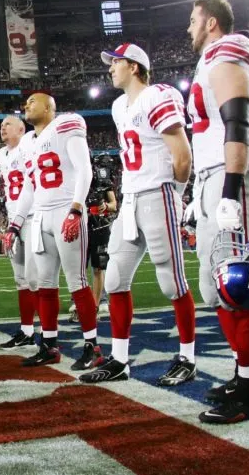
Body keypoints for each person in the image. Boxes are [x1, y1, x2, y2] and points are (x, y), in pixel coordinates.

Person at [78, 42, 197, 388]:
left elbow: (182, 155)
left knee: (171, 280)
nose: (110, 68)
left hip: (158, 192)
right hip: (130, 199)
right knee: (114, 279)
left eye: (115, 63)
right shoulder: (118, 105)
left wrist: (173, 194)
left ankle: (187, 358)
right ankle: (119, 360)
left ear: (133, 66)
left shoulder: (158, 95)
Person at [184, 0, 249, 424]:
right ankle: (246, 373)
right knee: (214, 288)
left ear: (211, 22)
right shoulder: (212, 58)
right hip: (211, 176)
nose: (188, 28)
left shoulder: (226, 49)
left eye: (193, 19)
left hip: (230, 175)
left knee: (240, 285)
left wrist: (229, 192)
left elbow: (236, 121)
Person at [3, 93, 102, 371]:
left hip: (64, 210)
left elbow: (85, 169)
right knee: (43, 284)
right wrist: (16, 223)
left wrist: (76, 208)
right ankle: (49, 346)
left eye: (32, 102)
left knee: (77, 282)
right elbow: (30, 187)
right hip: (41, 216)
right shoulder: (28, 143)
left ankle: (92, 346)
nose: (26, 106)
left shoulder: (66, 124)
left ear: (49, 107)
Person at [0, 115, 38, 349]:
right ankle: (27, 331)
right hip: (13, 220)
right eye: (0, 125)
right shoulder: (0, 156)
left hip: (32, 217)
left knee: (35, 278)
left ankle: (49, 333)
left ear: (21, 128)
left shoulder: (30, 143)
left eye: (7, 124)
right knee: (20, 279)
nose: (2, 127)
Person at [70, 158, 117, 322]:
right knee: (77, 270)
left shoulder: (101, 177)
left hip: (98, 226)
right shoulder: (72, 177)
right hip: (79, 224)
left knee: (98, 268)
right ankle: (79, 305)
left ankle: (94, 307)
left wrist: (105, 206)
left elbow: (114, 204)